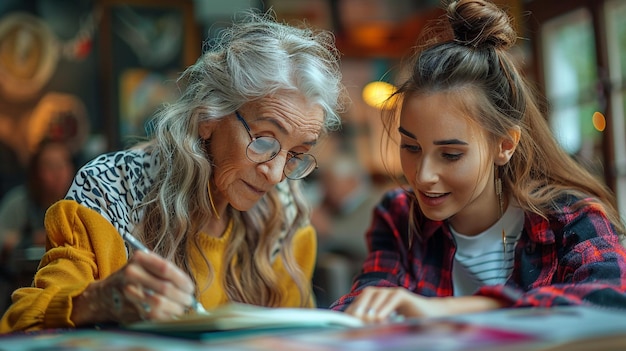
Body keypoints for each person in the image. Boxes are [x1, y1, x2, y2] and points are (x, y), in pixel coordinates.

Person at [0, 10, 345, 332]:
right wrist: (102, 299)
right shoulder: (113, 190)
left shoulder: (284, 214)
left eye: (296, 154)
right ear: (209, 116)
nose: (275, 174)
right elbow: (20, 325)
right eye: (265, 141)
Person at [330, 0, 626, 322]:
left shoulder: (568, 217)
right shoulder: (400, 216)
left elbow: (613, 294)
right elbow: (366, 301)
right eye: (411, 147)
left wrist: (455, 310)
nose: (424, 176)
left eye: (451, 155)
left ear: (505, 145)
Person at [0, 140, 75, 313]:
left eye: (63, 164)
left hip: (68, 290)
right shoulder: (20, 202)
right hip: (21, 290)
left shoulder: (80, 203)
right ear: (36, 172)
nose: (58, 173)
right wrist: (29, 239)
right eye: (50, 166)